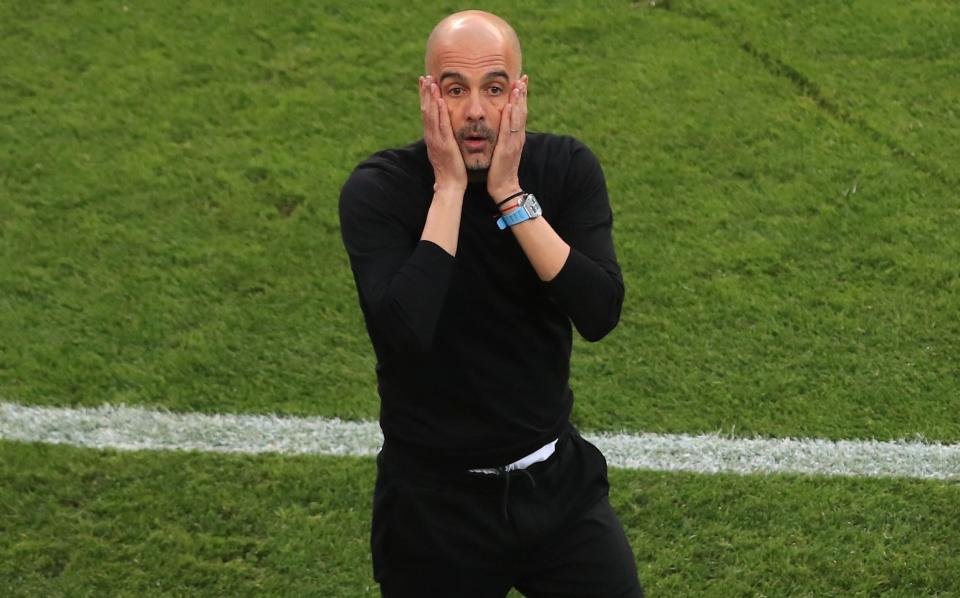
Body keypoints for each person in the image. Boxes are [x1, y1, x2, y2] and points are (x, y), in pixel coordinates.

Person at [339, 9, 643, 597]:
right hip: (434, 510)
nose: (476, 112)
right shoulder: (380, 191)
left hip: (556, 490)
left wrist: (509, 195)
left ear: (519, 94)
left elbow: (599, 311)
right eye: (455, 89)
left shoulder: (565, 169)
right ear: (428, 95)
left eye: (494, 88)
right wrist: (450, 187)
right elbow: (405, 332)